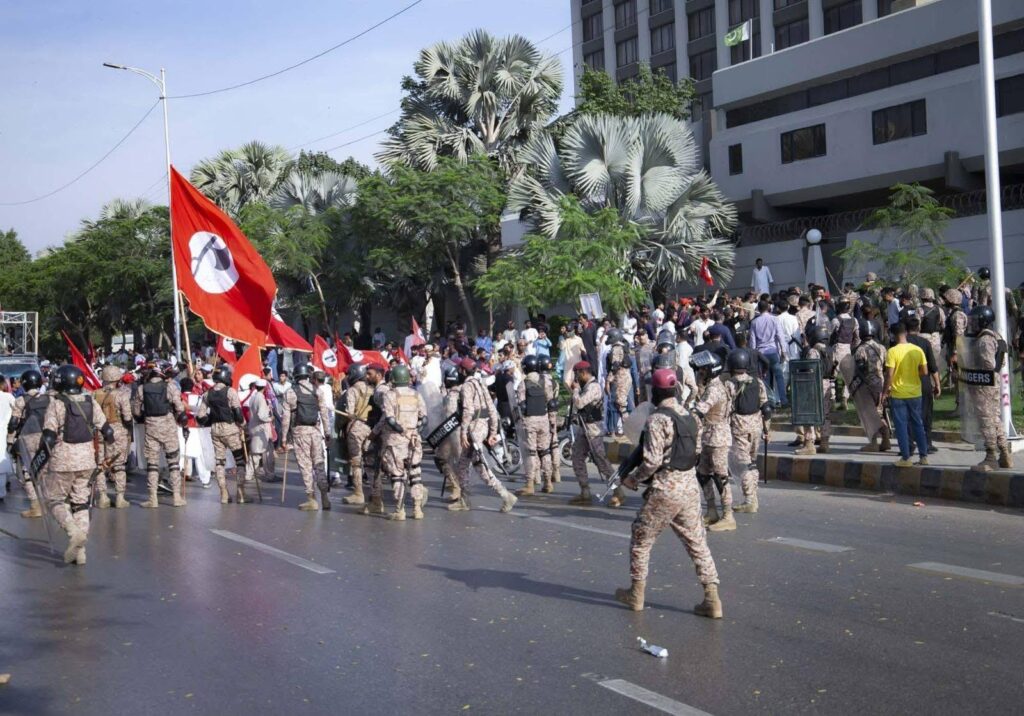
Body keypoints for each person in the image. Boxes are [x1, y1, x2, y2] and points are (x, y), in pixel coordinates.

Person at [614, 368, 722, 617]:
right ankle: (712, 599)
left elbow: (652, 462)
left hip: (666, 488)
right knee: (697, 543)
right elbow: (696, 451)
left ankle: (636, 594)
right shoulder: (690, 416)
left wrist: (633, 479)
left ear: (655, 391)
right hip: (689, 487)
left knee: (641, 540)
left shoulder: (657, 419)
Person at [39, 365, 115, 565]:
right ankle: (80, 553)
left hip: (63, 461)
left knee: (54, 500)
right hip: (87, 460)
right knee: (81, 503)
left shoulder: (56, 404)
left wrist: (39, 459)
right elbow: (107, 431)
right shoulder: (90, 401)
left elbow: (48, 436)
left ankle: (73, 532)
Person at [448, 358, 517, 513]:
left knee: (480, 466)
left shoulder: (466, 386)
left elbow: (468, 410)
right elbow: (492, 409)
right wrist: (492, 432)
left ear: (463, 371)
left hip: (474, 429)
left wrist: (463, 433)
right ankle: (464, 500)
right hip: (483, 426)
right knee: (463, 464)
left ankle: (505, 495)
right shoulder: (481, 384)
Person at [131, 361, 188, 508]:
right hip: (169, 426)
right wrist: (184, 425)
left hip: (151, 427)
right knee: (173, 463)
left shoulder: (142, 388)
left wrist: (144, 418)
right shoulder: (170, 387)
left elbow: (136, 411)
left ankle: (153, 498)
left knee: (152, 464)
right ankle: (176, 497)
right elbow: (180, 409)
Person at [376, 365, 427, 520]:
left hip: (396, 440)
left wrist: (401, 431)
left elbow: (390, 419)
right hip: (414, 439)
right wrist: (415, 431)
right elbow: (424, 419)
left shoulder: (390, 395)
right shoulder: (416, 394)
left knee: (397, 475)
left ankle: (400, 509)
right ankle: (417, 509)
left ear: (393, 379)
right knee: (415, 473)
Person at [691, 351, 735, 531]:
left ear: (711, 370)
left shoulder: (714, 389)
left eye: (702, 370)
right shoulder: (710, 386)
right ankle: (711, 511)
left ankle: (728, 516)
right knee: (702, 473)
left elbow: (700, 411)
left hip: (718, 437)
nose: (699, 373)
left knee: (720, 477)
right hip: (708, 436)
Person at [964, 306, 1012, 471]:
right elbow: (1001, 362)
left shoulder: (984, 340)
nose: (972, 324)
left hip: (983, 386)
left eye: (975, 321)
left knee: (986, 420)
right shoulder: (996, 336)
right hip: (993, 384)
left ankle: (991, 457)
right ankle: (1004, 453)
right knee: (995, 418)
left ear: (983, 321)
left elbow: (989, 365)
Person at [280, 363, 332, 511]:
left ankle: (311, 499)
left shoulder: (291, 392)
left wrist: (284, 438)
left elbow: (286, 418)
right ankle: (325, 497)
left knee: (306, 465)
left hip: (300, 432)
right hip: (315, 431)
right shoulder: (317, 391)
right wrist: (327, 433)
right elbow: (324, 414)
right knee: (319, 463)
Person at [726, 350, 771, 514]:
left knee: (743, 464)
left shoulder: (730, 384)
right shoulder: (758, 382)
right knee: (752, 462)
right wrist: (767, 430)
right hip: (756, 425)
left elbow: (727, 408)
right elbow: (766, 408)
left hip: (740, 427)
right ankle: (754, 495)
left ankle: (749, 500)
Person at [197, 365, 247, 504]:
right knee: (239, 460)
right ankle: (241, 493)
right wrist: (243, 425)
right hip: (230, 429)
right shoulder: (230, 391)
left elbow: (200, 417)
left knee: (219, 462)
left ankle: (224, 493)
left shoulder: (207, 394)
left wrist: (211, 420)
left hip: (215, 430)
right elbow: (238, 413)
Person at [567, 361, 615, 506]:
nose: (576, 378)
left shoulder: (594, 387)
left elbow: (580, 403)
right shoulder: (586, 387)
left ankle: (617, 491)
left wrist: (575, 390)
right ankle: (585, 491)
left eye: (577, 375)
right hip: (584, 427)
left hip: (593, 429)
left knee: (600, 460)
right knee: (577, 456)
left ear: (583, 373)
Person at [882, 323, 929, 467]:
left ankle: (906, 458)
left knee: (901, 426)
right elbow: (925, 371)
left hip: (898, 394)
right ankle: (923, 456)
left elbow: (889, 375)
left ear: (893, 335)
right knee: (918, 424)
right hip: (915, 392)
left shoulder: (892, 351)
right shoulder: (917, 350)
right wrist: (913, 375)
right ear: (906, 333)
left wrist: (885, 391)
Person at [6, 369, 48, 518]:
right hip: (47, 438)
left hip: (28, 438)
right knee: (46, 469)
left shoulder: (21, 400)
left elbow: (13, 423)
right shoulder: (49, 398)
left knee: (27, 471)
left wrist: (10, 442)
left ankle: (36, 506)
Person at [92, 364, 133, 508]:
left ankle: (103, 497)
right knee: (119, 465)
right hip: (118, 432)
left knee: (100, 465)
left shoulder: (94, 394)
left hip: (99, 432)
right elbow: (127, 417)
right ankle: (120, 497)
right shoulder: (121, 395)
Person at [515, 355, 555, 497]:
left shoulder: (523, 384)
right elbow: (551, 402)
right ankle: (548, 482)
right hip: (544, 420)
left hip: (530, 421)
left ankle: (530, 484)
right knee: (545, 451)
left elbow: (521, 405)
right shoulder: (546, 381)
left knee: (531, 452)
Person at [795, 326, 836, 455]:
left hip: (814, 384)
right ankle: (825, 443)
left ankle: (809, 445)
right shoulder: (831, 350)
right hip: (828, 384)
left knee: (809, 414)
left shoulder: (813, 351)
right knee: (825, 416)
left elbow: (810, 369)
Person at [853, 321, 892, 453]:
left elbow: (859, 371)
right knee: (879, 412)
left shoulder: (860, 350)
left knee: (870, 415)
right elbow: (886, 367)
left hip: (868, 386)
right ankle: (886, 440)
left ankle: (873, 443)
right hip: (881, 384)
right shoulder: (882, 348)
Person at [905, 317, 941, 456]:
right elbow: (932, 367)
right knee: (926, 414)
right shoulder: (925, 343)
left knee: (908, 414)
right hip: (924, 382)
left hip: (907, 382)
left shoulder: (901, 343)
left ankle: (909, 444)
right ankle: (927, 443)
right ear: (918, 328)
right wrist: (937, 384)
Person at [339, 363, 373, 506]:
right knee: (371, 463)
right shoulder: (372, 389)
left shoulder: (352, 390)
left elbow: (349, 412)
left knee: (356, 462)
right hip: (371, 428)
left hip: (357, 428)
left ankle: (358, 493)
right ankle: (376, 495)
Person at [749, 300, 787, 408]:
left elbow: (752, 341)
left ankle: (769, 402)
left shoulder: (754, 322)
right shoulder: (774, 319)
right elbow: (780, 336)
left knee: (764, 378)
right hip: (773, 351)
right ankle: (783, 400)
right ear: (768, 308)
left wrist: (753, 355)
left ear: (758, 309)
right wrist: (783, 351)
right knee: (779, 376)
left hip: (761, 353)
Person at [245, 378, 276, 485]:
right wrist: (270, 418)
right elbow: (261, 415)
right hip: (261, 429)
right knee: (261, 453)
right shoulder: (260, 398)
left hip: (255, 428)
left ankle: (253, 473)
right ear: (264, 387)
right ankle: (255, 474)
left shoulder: (253, 397)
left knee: (258, 452)